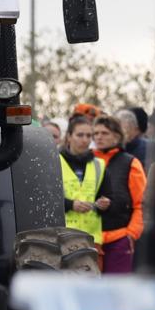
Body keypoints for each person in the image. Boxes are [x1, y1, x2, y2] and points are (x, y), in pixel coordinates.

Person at [91, 115, 147, 274]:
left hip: (118, 239)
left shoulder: (131, 163)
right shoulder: (87, 161)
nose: (99, 137)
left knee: (117, 293)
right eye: (96, 133)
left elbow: (141, 204)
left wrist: (131, 235)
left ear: (117, 136)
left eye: (104, 133)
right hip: (88, 239)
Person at [60, 117, 105, 255]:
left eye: (88, 136)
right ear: (68, 136)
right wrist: (71, 204)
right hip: (63, 237)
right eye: (80, 135)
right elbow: (46, 198)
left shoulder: (99, 165)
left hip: (92, 239)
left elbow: (109, 196)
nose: (85, 140)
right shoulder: (54, 161)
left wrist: (105, 203)